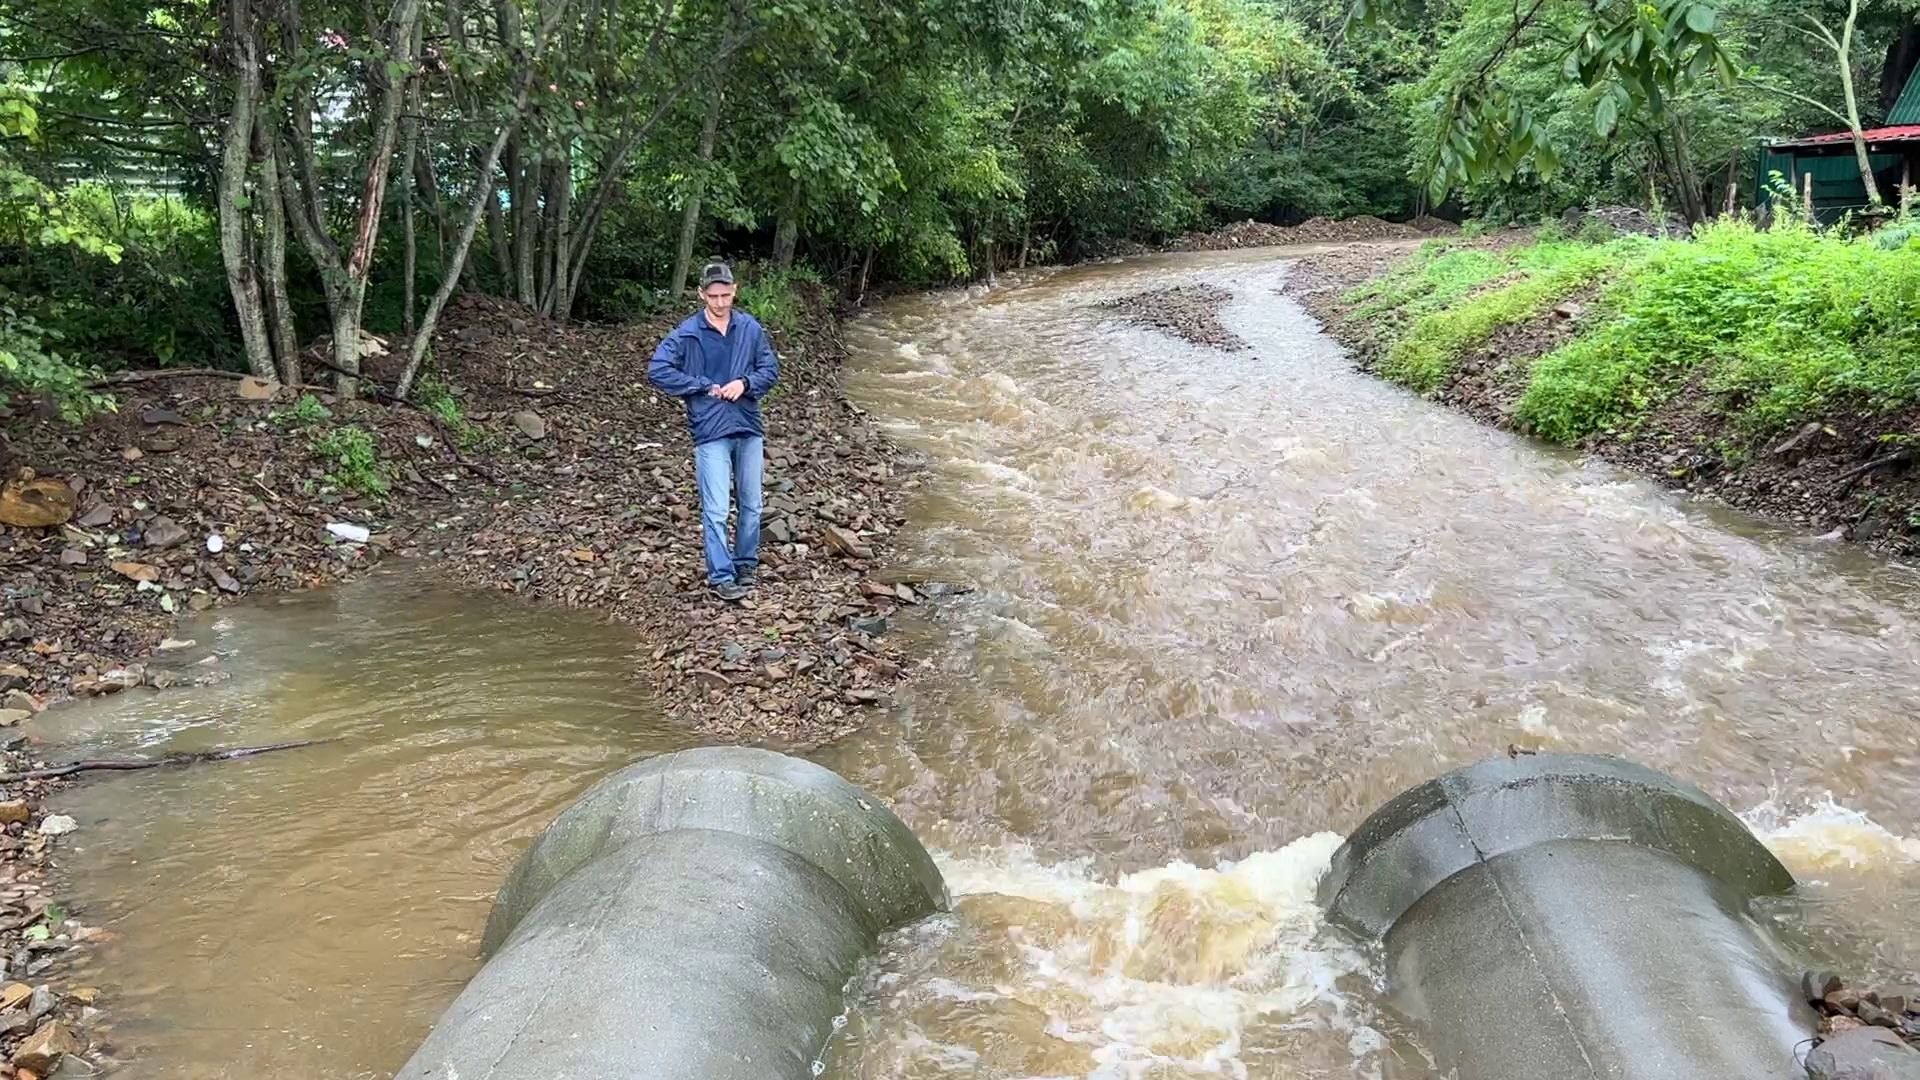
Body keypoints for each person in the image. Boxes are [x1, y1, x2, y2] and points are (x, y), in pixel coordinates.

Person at [647, 261, 780, 601]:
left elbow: (770, 368)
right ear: (701, 295)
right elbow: (659, 370)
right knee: (717, 508)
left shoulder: (749, 328)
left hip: (748, 424)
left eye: (726, 295)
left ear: (735, 291)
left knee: (752, 503)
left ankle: (746, 563)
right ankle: (721, 576)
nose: (720, 303)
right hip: (710, 429)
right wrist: (702, 386)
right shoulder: (688, 333)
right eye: (713, 296)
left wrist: (745, 383)